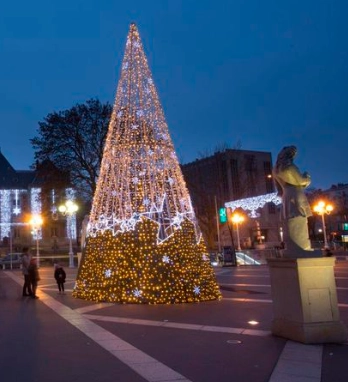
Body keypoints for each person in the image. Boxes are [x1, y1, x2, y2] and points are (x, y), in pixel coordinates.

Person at [273, 146, 313, 256]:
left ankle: (292, 247)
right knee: (299, 216)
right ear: (290, 155)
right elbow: (300, 181)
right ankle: (302, 246)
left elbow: (278, 188)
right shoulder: (289, 167)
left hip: (286, 194)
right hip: (295, 193)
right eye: (293, 154)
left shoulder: (276, 169)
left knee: (289, 218)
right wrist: (307, 178)